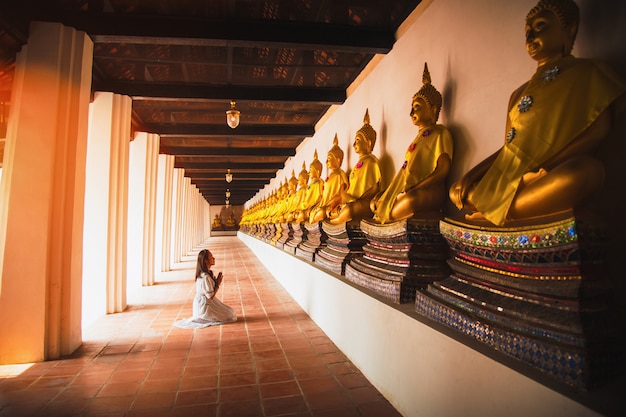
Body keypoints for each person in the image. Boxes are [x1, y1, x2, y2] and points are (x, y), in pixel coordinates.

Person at [449, 0, 625, 226]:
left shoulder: (589, 73)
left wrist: (546, 167)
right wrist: (470, 175)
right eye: (527, 31)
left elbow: (598, 132)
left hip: (547, 174)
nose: (530, 37)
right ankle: (497, 207)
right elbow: (508, 150)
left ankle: (492, 210)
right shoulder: (518, 94)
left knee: (587, 173)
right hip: (512, 179)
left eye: (540, 26)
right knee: (459, 191)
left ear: (569, 29)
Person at [372, 63, 453, 224]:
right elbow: (404, 173)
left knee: (410, 200)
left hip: (429, 191)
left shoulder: (440, 133)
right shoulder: (418, 139)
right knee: (378, 203)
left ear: (433, 109)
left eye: (417, 107)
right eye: (412, 107)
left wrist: (418, 187)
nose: (411, 113)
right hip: (409, 190)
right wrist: (388, 192)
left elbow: (443, 170)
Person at [328, 109, 382, 224]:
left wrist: (352, 199)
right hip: (351, 200)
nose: (354, 144)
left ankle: (336, 220)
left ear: (369, 143)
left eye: (357, 140)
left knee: (348, 210)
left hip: (363, 202)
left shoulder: (372, 162)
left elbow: (375, 188)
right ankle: (337, 217)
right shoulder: (356, 167)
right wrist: (342, 198)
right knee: (337, 209)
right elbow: (350, 188)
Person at [173, 249, 237, 329]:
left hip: (203, 303)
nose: (214, 258)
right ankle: (204, 317)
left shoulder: (204, 274)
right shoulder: (205, 277)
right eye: (211, 257)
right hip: (204, 306)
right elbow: (210, 297)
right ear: (206, 261)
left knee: (230, 312)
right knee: (229, 314)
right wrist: (217, 284)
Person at [310, 134, 349, 223]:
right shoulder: (329, 176)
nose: (326, 162)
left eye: (329, 159)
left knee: (321, 213)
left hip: (333, 203)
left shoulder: (340, 174)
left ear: (338, 160)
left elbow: (343, 192)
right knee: (314, 212)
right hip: (325, 203)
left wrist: (334, 201)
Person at [296, 150, 324, 224]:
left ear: (317, 172)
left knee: (301, 215)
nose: (309, 173)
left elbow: (315, 198)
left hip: (314, 206)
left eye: (311, 170)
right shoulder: (310, 185)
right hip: (307, 206)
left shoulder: (317, 183)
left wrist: (303, 206)